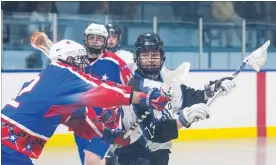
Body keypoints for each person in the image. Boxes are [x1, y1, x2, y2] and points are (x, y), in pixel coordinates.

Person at [1, 39, 171, 165]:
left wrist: (107, 135)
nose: (84, 63)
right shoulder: (64, 74)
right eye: (80, 59)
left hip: (9, 144)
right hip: (7, 147)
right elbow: (104, 89)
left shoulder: (57, 83)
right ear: (68, 59)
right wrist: (144, 97)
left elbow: (79, 119)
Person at [116, 32, 236, 165]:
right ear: (137, 58)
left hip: (159, 154)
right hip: (134, 155)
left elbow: (189, 97)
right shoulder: (135, 88)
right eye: (145, 55)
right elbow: (154, 133)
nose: (150, 59)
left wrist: (213, 89)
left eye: (155, 55)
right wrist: (182, 120)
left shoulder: (167, 80)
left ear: (162, 57)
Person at [73, 23, 134, 165]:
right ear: (85, 39)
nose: (95, 41)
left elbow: (131, 85)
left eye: (99, 38)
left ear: (104, 41)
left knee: (92, 161)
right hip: (80, 122)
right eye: (92, 37)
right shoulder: (76, 61)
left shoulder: (115, 61)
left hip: (106, 123)